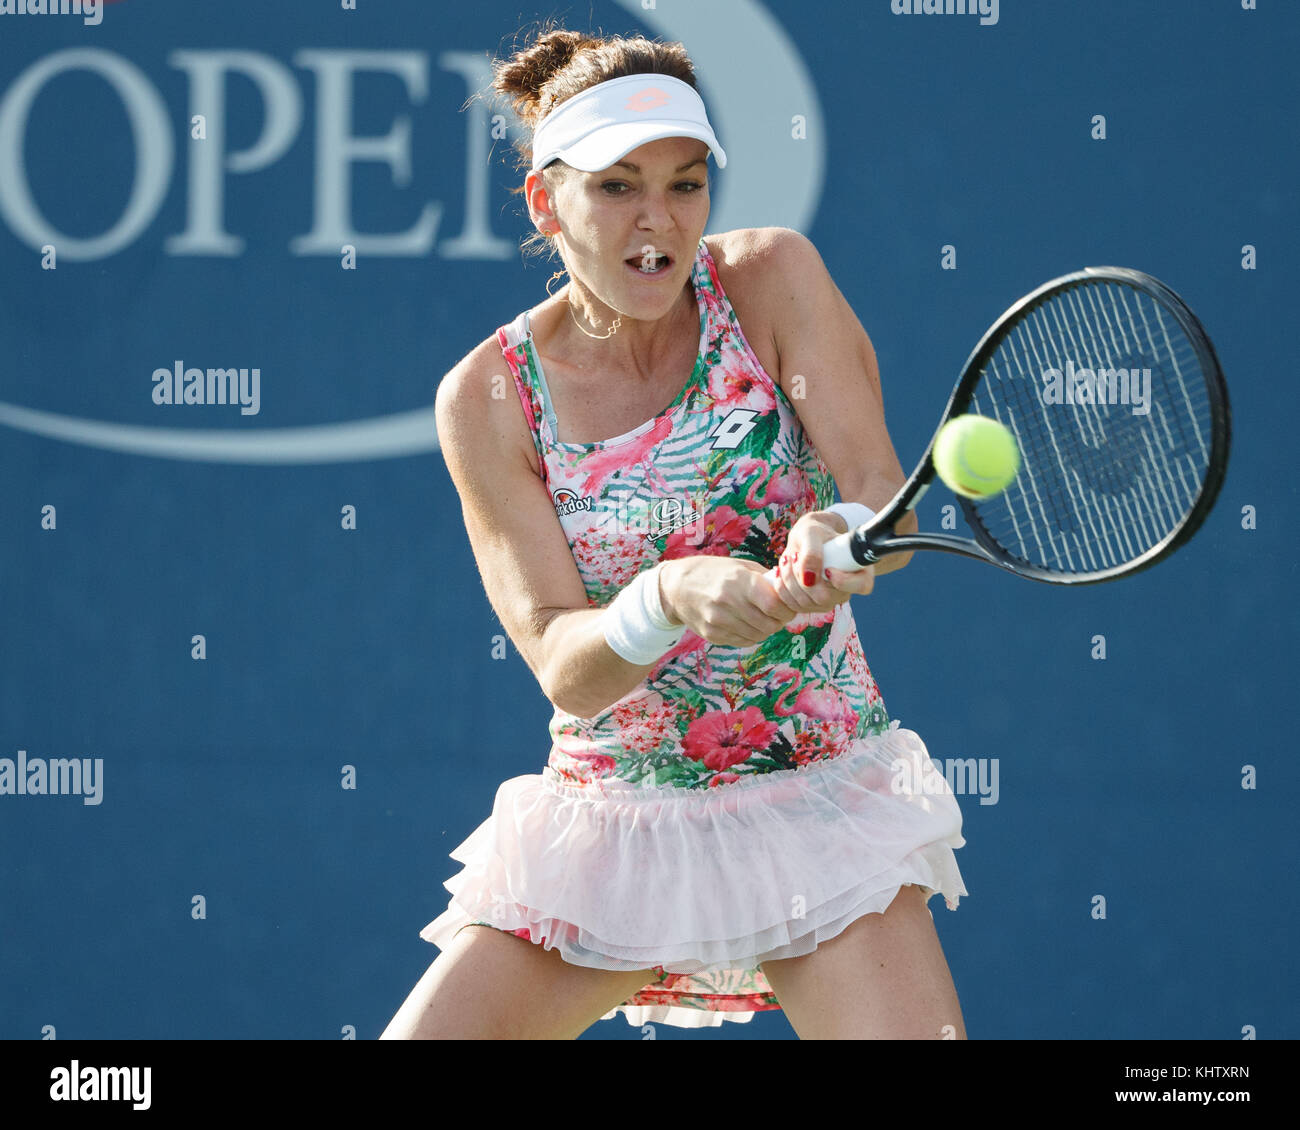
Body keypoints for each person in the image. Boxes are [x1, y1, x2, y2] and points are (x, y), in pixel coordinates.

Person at [381, 25, 968, 1040]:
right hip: (612, 818)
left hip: (815, 788)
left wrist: (840, 530)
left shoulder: (772, 279)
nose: (658, 220)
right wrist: (668, 595)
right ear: (544, 200)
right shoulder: (486, 396)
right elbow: (565, 660)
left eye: (685, 184)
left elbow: (884, 490)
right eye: (617, 186)